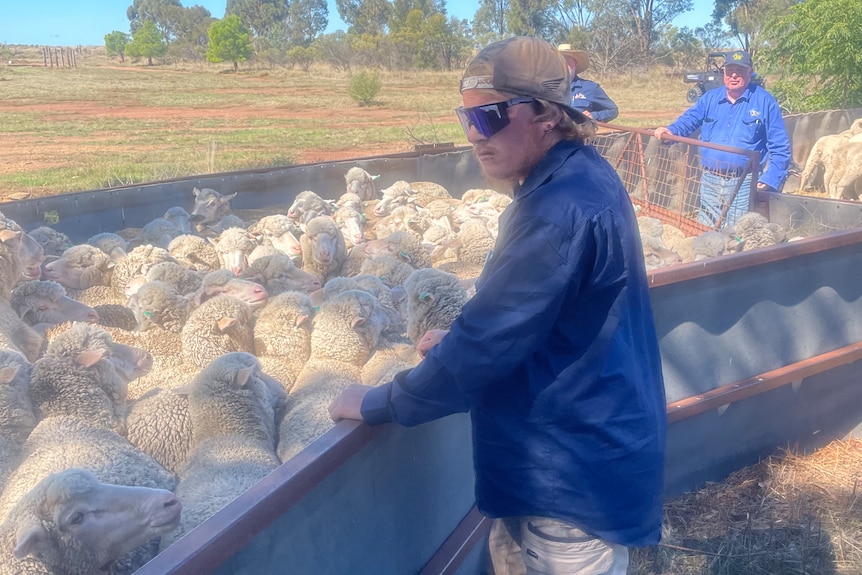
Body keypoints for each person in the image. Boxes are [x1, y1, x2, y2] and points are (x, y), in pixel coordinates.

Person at [329, 36, 666, 575]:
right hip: (565, 459)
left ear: (547, 116)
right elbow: (526, 321)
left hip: (567, 481)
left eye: (487, 118)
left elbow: (486, 344)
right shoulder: (576, 175)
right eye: (464, 118)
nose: (472, 135)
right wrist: (457, 343)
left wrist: (380, 402)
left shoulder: (558, 209)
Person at [653, 50, 791, 227]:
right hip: (710, 180)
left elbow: (780, 147)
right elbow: (689, 120)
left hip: (743, 182)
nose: (734, 75)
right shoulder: (709, 98)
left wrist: (771, 178)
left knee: (735, 235)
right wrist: (671, 131)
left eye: (740, 71)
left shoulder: (765, 102)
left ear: (750, 72)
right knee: (706, 230)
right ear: (723, 72)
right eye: (729, 70)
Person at [557, 43, 619, 123]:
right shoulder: (546, 89)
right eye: (560, 61)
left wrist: (594, 116)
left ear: (575, 64)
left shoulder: (590, 88)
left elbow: (612, 110)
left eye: (567, 61)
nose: (564, 65)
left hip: (580, 134)